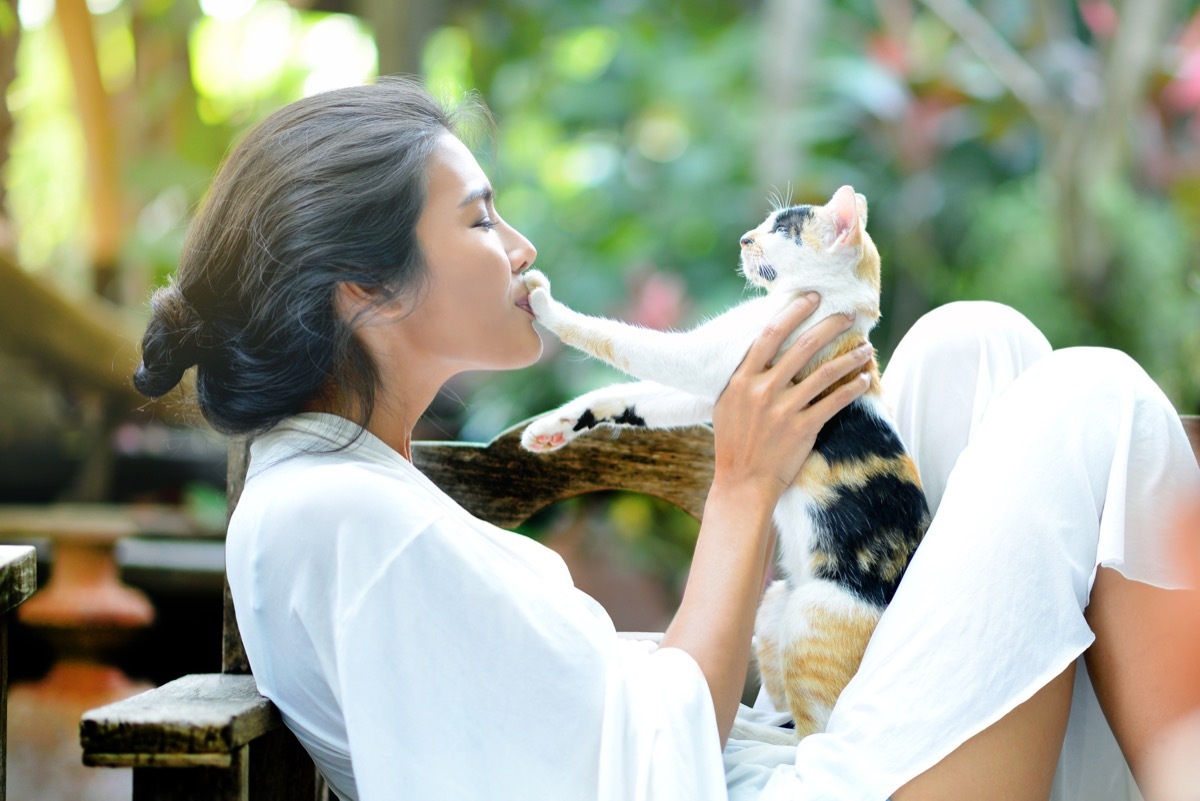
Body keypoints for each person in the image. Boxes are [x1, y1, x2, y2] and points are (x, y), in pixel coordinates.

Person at [132, 77, 1200, 801]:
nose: (519, 245)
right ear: (363, 287)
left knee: (975, 349)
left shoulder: (334, 492)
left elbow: (534, 721)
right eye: (478, 218)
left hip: (752, 752)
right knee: (1088, 397)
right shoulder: (346, 520)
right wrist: (742, 486)